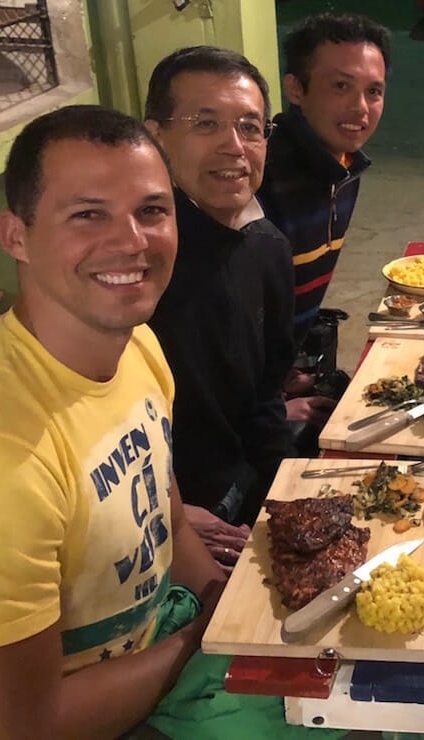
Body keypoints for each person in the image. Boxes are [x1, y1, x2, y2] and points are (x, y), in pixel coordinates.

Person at [0, 106, 226, 738]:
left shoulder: (137, 348)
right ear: (15, 235)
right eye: (88, 214)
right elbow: (18, 730)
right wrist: (202, 641)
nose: (131, 240)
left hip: (153, 654)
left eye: (152, 211)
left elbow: (161, 509)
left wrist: (229, 606)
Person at [144, 47, 295, 546]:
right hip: (156, 521)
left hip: (241, 493)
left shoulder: (267, 246)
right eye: (205, 124)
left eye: (250, 127)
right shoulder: (135, 264)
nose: (234, 147)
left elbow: (265, 397)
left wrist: (286, 498)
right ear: (155, 137)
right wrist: (173, 516)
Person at [258, 12, 391, 432]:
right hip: (243, 407)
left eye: (374, 91)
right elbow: (222, 332)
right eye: (340, 87)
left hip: (282, 372)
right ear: (295, 88)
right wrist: (271, 405)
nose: (360, 108)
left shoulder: (343, 169)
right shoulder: (262, 179)